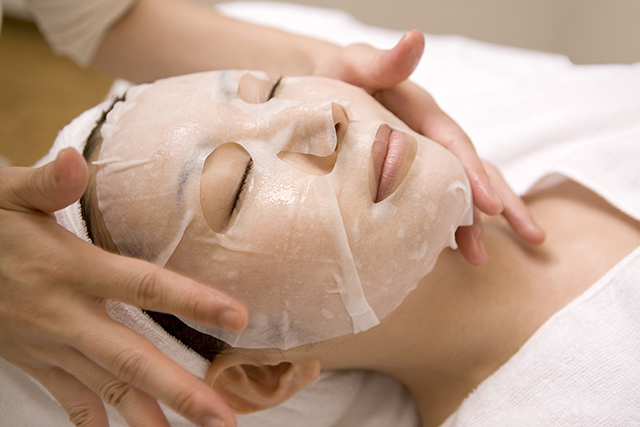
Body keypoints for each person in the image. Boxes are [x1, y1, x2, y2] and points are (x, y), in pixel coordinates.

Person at [0, 1, 543, 426]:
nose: (321, 114)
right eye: (238, 188)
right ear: (265, 374)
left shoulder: (540, 114)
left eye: (270, 90)